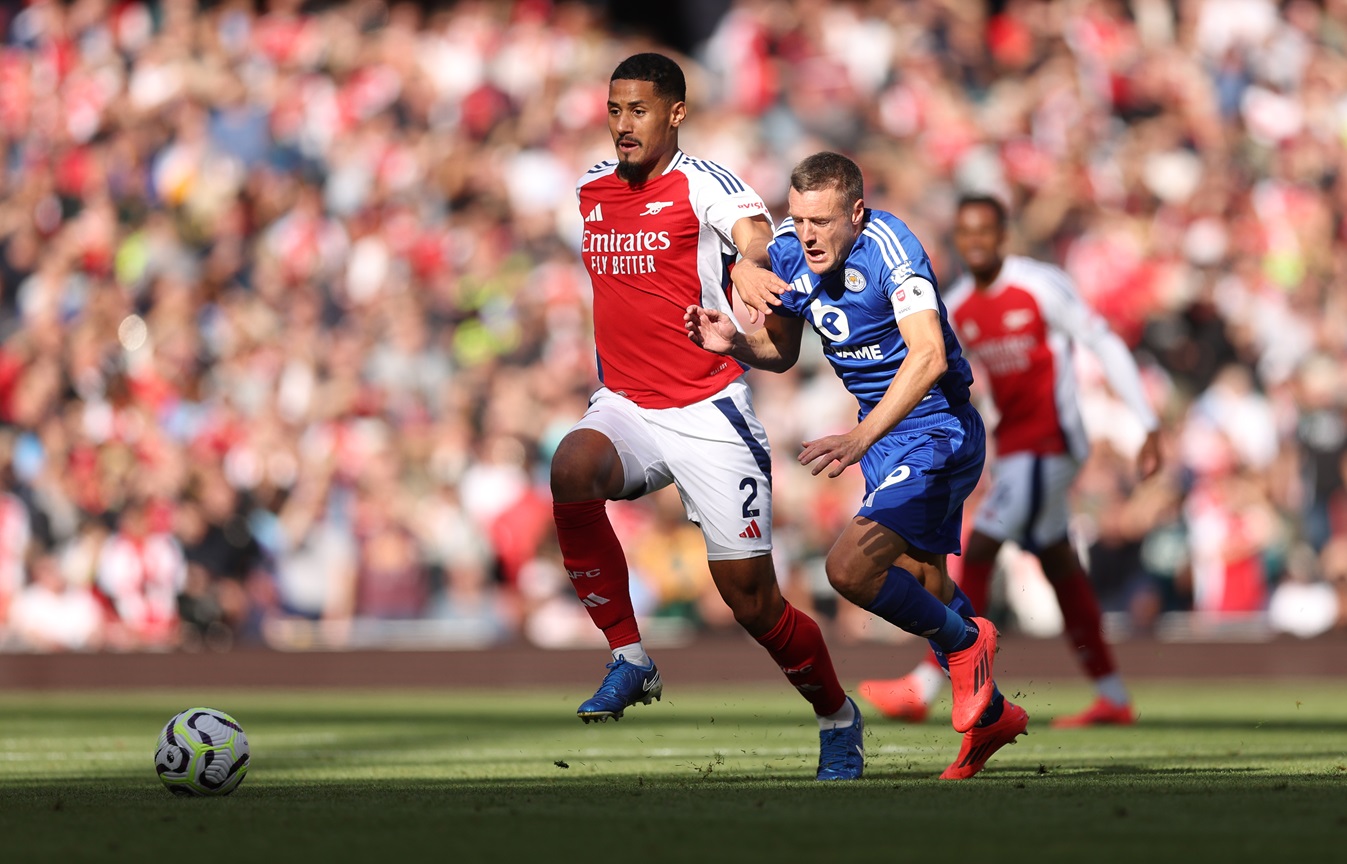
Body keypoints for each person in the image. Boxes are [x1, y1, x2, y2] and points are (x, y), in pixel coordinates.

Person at [550, 54, 864, 781]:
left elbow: (751, 228)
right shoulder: (589, 185)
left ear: (676, 114)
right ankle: (629, 657)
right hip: (627, 403)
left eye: (639, 110)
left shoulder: (702, 182)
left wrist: (752, 262)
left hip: (707, 409)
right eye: (615, 108)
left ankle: (836, 718)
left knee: (751, 603)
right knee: (570, 467)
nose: (623, 124)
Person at [686, 152, 1026, 780]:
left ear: (857, 214)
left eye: (820, 220)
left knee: (849, 569)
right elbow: (783, 352)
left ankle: (966, 644)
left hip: (936, 425)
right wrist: (733, 342)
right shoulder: (788, 251)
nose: (806, 233)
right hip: (884, 433)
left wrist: (862, 437)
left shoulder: (892, 248)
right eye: (797, 218)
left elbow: (926, 356)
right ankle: (991, 718)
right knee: (926, 586)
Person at [857, 195, 1163, 728]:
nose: (975, 243)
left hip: (1051, 444)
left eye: (985, 233)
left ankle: (931, 682)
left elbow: (1103, 341)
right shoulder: (955, 303)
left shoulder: (1041, 285)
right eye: (965, 233)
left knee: (981, 544)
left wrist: (1146, 422)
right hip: (1014, 451)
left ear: (1004, 236)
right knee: (1059, 563)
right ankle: (1112, 695)